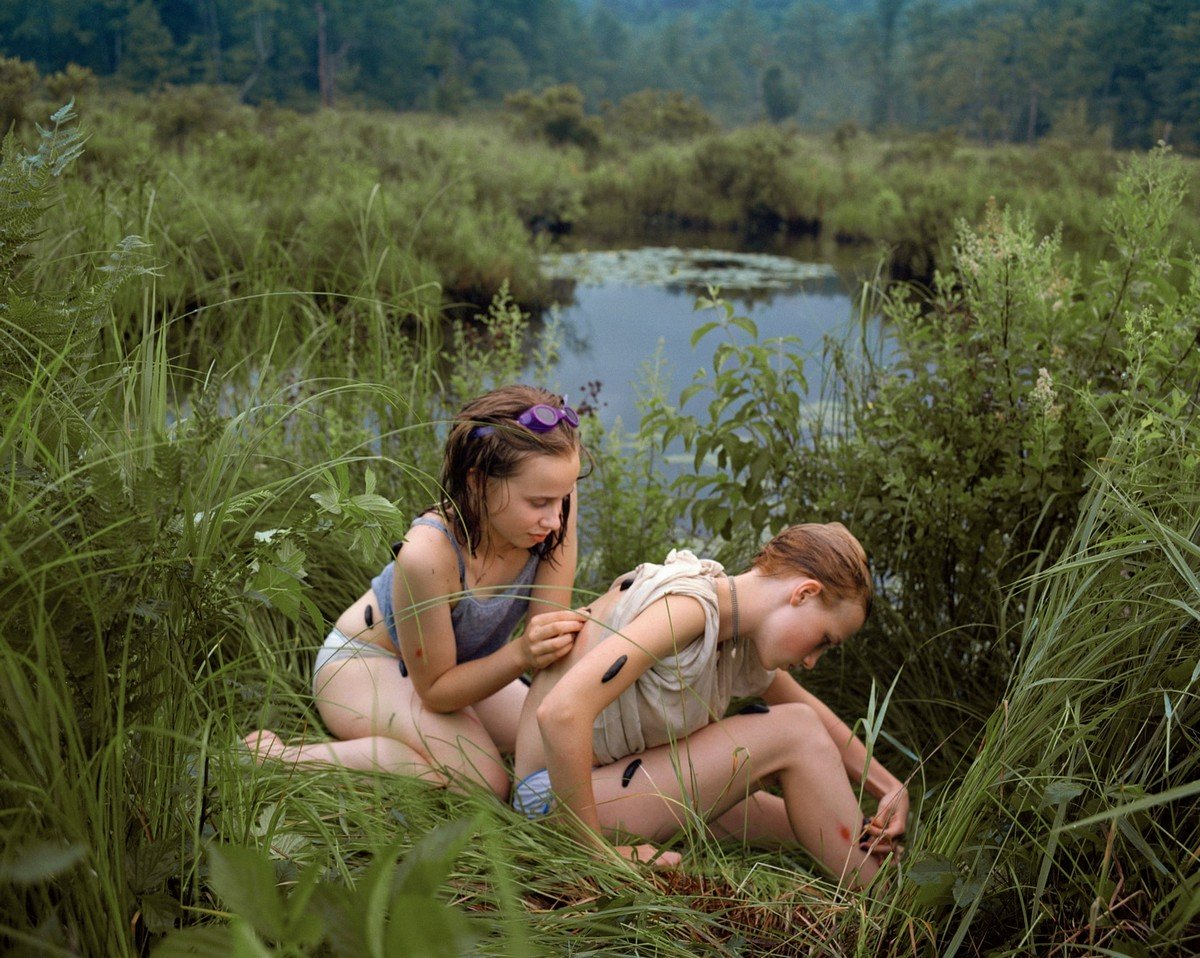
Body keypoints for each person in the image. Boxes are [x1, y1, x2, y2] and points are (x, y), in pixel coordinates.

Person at [511, 522, 908, 888]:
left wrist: (888, 786)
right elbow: (562, 712)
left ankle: (886, 876)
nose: (811, 660)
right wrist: (598, 856)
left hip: (604, 781)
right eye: (824, 640)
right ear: (804, 593)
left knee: (809, 819)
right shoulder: (688, 607)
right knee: (795, 731)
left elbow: (807, 705)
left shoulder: (733, 624)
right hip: (552, 801)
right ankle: (894, 911)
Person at [245, 385, 588, 799]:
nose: (554, 519)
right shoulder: (426, 554)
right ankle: (284, 760)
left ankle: (423, 748)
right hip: (368, 667)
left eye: (562, 497)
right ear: (477, 483)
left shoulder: (555, 508)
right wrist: (520, 654)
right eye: (539, 502)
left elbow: (548, 635)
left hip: (462, 666)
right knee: (484, 782)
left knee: (570, 736)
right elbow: (437, 692)